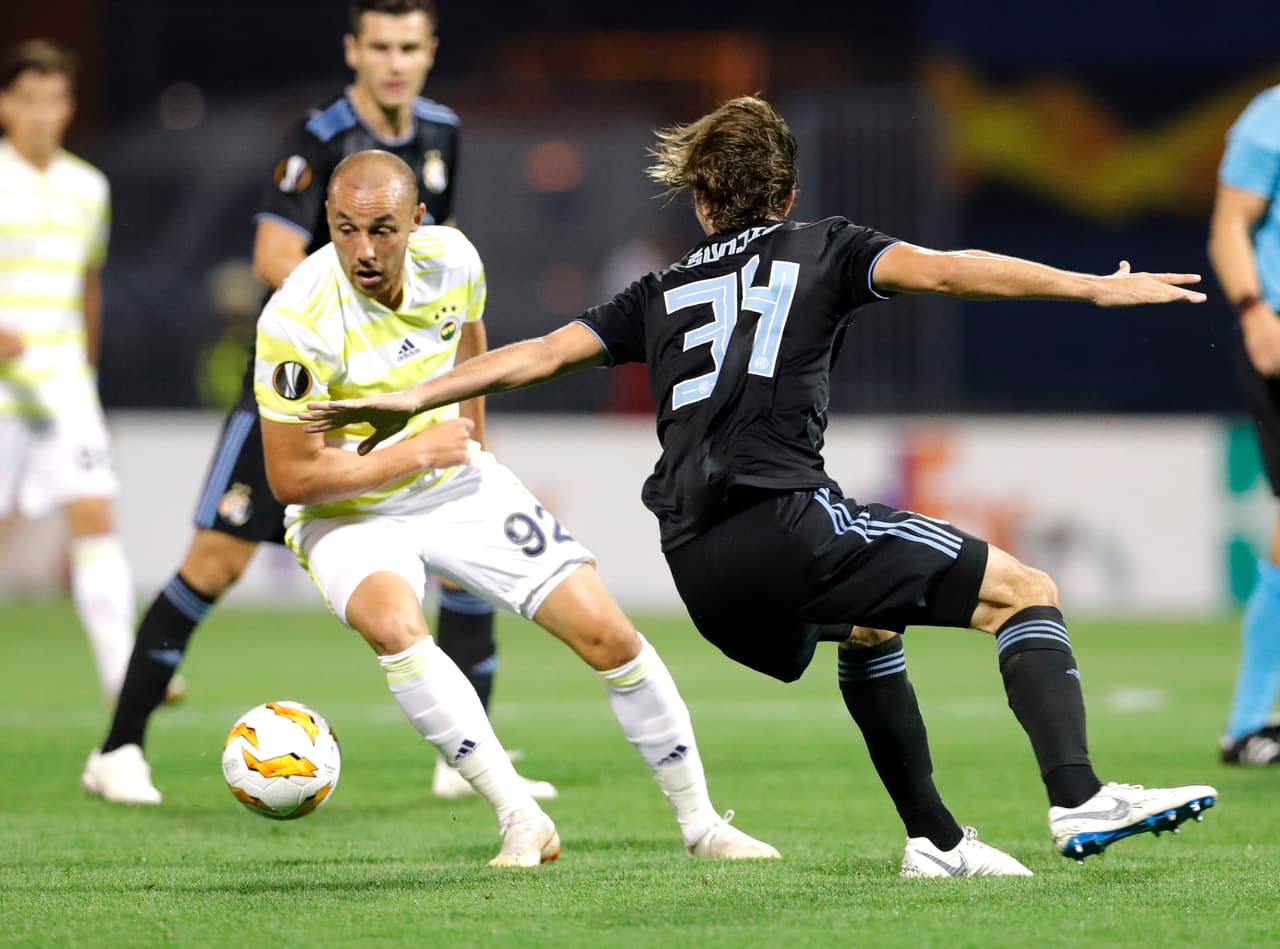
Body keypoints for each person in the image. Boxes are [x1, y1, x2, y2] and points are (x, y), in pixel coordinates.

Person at [303, 96, 1220, 868]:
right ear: (788, 193)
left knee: (868, 624)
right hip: (786, 524)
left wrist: (411, 395)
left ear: (702, 203)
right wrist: (1092, 286)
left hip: (699, 569)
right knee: (1026, 593)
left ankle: (935, 841)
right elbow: (949, 272)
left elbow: (538, 355)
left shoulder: (655, 290)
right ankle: (1080, 796)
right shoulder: (825, 244)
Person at [250, 148, 779, 867]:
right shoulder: (295, 318)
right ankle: (520, 818)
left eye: (382, 229)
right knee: (395, 626)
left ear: (417, 221)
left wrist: (472, 458)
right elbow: (290, 476)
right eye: (344, 229)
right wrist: (414, 454)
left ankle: (703, 823)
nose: (363, 250)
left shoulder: (455, 261)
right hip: (348, 508)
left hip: (453, 482)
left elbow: (473, 354)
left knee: (608, 634)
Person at [82, 0, 549, 804]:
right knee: (214, 562)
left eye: (410, 46)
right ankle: (118, 749)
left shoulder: (441, 131)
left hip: (406, 385)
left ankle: (464, 760)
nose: (395, 61)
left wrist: (459, 397)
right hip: (305, 391)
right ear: (353, 51)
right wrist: (359, 319)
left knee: (465, 565)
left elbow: (445, 256)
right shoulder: (317, 137)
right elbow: (270, 255)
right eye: (380, 46)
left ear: (430, 52)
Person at [0, 40, 138, 703]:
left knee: (93, 512)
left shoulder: (90, 186)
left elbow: (90, 281)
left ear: (69, 107)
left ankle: (123, 677)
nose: (41, 114)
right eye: (28, 99)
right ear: (5, 105)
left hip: (62, 387)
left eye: (53, 100)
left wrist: (84, 365)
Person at [1208, 85, 1280, 766]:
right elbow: (1231, 223)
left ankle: (1249, 721)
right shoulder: (1271, 115)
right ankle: (1249, 717)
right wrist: (1256, 311)